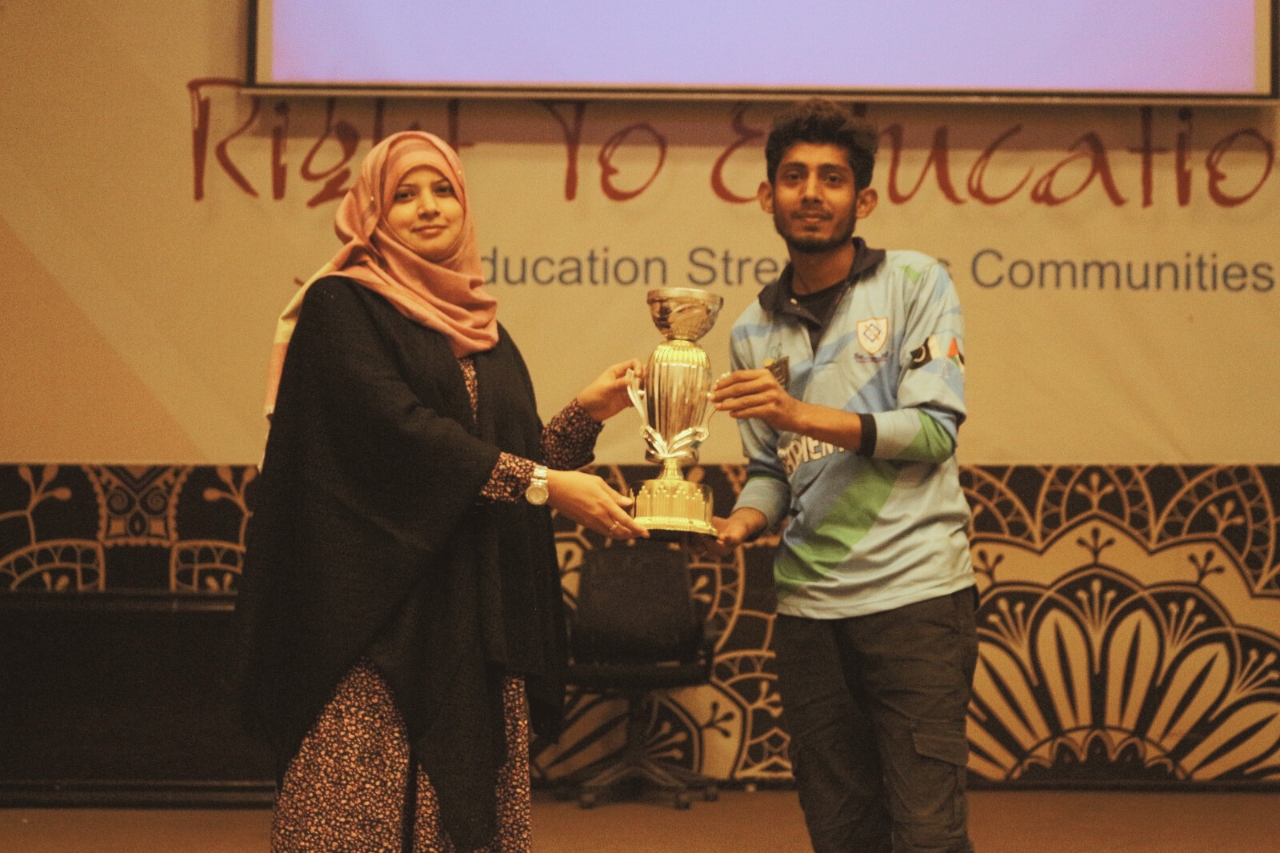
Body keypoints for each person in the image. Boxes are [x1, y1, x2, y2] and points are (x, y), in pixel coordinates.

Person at [235, 130, 648, 853]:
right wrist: (545, 483)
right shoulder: (341, 307)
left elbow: (497, 471)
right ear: (371, 211)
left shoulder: (484, 332)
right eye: (404, 194)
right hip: (372, 622)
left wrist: (585, 415)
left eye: (443, 190)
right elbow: (401, 433)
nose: (428, 207)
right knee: (356, 825)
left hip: (471, 621)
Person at [706, 99, 978, 853]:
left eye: (832, 178)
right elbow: (772, 469)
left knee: (926, 835)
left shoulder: (916, 282)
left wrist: (799, 413)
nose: (811, 192)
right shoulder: (751, 329)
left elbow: (933, 431)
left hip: (916, 598)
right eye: (794, 177)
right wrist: (742, 522)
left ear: (864, 200)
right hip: (809, 612)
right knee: (841, 834)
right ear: (767, 197)